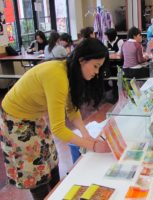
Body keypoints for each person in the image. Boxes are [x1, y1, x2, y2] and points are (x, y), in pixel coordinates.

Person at [0, 38, 111, 200]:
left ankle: (56, 195)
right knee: (36, 172)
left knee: (51, 160)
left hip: (34, 114)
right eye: (95, 66)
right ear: (82, 60)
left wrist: (85, 134)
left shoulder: (70, 71)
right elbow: (59, 129)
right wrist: (93, 145)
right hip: (15, 117)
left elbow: (72, 108)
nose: (96, 72)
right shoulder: (57, 75)